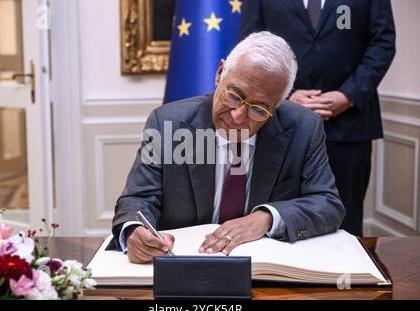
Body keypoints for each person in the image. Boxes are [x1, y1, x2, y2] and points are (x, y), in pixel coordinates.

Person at [110, 31, 345, 264]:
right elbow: (137, 199)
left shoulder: (303, 127)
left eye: (259, 109)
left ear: (277, 106)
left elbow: (328, 203)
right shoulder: (167, 124)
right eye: (234, 95)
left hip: (266, 270)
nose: (238, 116)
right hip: (184, 266)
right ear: (220, 73)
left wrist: (266, 218)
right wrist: (134, 231)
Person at [239, 0, 396, 236]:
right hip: (281, 125)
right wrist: (285, 95)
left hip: (349, 127)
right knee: (279, 219)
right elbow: (253, 46)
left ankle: (346, 273)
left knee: (346, 221)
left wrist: (348, 95)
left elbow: (382, 44)